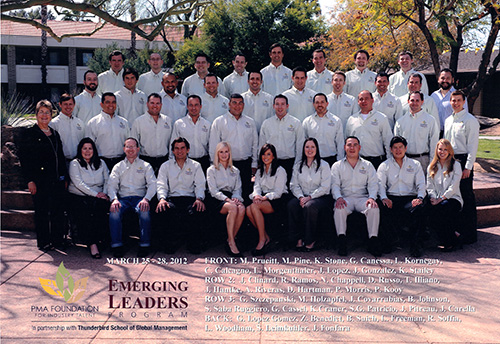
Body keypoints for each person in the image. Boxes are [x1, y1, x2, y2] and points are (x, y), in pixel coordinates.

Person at [19, 100, 67, 251]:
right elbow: (25, 159)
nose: (45, 115)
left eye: (47, 112)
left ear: (51, 115)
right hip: (39, 180)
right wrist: (30, 181)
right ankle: (44, 241)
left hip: (56, 180)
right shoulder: (29, 133)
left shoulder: (55, 133)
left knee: (57, 211)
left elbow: (60, 156)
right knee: (42, 211)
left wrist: (64, 176)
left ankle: (57, 240)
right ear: (36, 114)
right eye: (42, 112)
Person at [331, 136, 381, 257]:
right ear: (344, 148)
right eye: (349, 145)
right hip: (345, 198)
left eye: (354, 145)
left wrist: (372, 198)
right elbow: (335, 186)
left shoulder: (368, 165)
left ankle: (373, 241)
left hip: (362, 198)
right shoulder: (337, 166)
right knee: (339, 208)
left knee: (373, 208)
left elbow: (373, 184)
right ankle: (342, 242)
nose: (352, 148)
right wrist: (338, 197)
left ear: (359, 147)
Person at [377, 136, 426, 257]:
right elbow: (380, 185)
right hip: (391, 198)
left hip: (410, 198)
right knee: (381, 206)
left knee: (419, 208)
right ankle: (388, 242)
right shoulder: (384, 165)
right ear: (390, 149)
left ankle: (415, 245)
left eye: (400, 147)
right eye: (395, 148)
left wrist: (419, 198)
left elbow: (421, 184)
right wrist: (384, 198)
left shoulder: (415, 164)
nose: (398, 150)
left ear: (405, 148)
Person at [156, 137, 207, 254]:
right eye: (176, 148)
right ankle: (170, 244)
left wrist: (199, 198)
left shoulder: (196, 165)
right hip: (172, 198)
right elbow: (161, 184)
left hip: (190, 198)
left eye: (182, 148)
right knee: (163, 209)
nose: (180, 151)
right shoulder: (165, 166)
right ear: (173, 151)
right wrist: (162, 199)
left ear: (188, 149)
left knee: (197, 209)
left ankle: (193, 244)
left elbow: (200, 185)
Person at [107, 138, 156, 258]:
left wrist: (146, 199)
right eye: (128, 147)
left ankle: (144, 245)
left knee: (144, 211)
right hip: (123, 199)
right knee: (114, 212)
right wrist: (114, 199)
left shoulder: (145, 165)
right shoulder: (118, 166)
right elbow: (111, 185)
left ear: (138, 149)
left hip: (140, 198)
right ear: (124, 149)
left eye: (133, 146)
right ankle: (117, 245)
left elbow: (152, 184)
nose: (130, 149)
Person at [444, 90, 479, 244]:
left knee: (466, 196)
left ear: (464, 102)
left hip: (464, 160)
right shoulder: (448, 120)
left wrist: (468, 167)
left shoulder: (470, 120)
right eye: (453, 100)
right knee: (453, 195)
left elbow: (472, 146)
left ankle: (470, 234)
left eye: (458, 100)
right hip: (450, 160)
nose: (456, 103)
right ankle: (456, 230)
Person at [210, 94, 258, 201]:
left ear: (243, 105)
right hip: (226, 165)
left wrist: (254, 164)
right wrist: (215, 165)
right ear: (229, 104)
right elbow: (214, 146)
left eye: (240, 103)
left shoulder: (250, 122)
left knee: (245, 194)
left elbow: (255, 144)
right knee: (228, 195)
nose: (237, 106)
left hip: (246, 164)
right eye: (234, 103)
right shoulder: (219, 122)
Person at [68, 138, 110, 259]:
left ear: (94, 150)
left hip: (99, 195)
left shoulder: (101, 163)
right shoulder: (75, 163)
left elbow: (108, 180)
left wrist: (104, 194)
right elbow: (78, 183)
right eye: (84, 148)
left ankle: (101, 239)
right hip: (79, 196)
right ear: (80, 150)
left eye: (90, 148)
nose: (87, 151)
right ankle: (92, 244)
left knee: (101, 209)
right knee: (85, 212)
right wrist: (96, 194)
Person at [288, 138, 332, 252]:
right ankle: (298, 238)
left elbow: (325, 187)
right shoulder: (298, 165)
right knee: (292, 205)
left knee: (310, 206)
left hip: (320, 197)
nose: (310, 149)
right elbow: (294, 185)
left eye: (312, 147)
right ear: (303, 149)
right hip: (302, 196)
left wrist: (310, 197)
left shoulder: (324, 165)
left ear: (317, 149)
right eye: (307, 147)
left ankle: (310, 240)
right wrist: (301, 197)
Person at [247, 144, 288, 256]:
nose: (266, 157)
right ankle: (266, 237)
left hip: (278, 199)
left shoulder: (280, 170)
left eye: (269, 154)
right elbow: (257, 187)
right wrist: (256, 196)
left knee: (254, 206)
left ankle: (261, 240)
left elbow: (278, 192)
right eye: (264, 154)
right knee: (248, 209)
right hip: (264, 199)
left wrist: (264, 197)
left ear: (273, 156)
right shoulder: (260, 171)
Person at [206, 142, 245, 257]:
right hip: (216, 198)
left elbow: (238, 189)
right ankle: (232, 243)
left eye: (226, 151)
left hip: (231, 197)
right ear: (217, 154)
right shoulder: (211, 170)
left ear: (230, 153)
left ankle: (229, 239)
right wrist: (227, 199)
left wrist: (236, 198)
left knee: (241, 208)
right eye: (221, 152)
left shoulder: (235, 170)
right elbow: (213, 191)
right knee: (233, 208)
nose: (224, 154)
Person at [426, 139, 463, 251]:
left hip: (453, 198)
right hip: (436, 198)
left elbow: (454, 186)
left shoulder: (456, 165)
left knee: (443, 208)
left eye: (445, 149)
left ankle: (449, 242)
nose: (442, 152)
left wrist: (441, 199)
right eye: (440, 149)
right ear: (436, 150)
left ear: (450, 151)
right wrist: (433, 197)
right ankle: (454, 236)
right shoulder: (432, 166)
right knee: (427, 210)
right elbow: (429, 186)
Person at [259, 94, 304, 182]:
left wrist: (297, 165)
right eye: (277, 104)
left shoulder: (295, 123)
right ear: (273, 106)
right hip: (271, 163)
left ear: (287, 106)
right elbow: (262, 145)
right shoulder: (266, 123)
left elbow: (299, 145)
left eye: (282, 104)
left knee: (289, 192)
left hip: (290, 163)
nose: (280, 107)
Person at [345, 90, 392, 169]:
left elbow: (387, 140)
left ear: (372, 100)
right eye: (361, 99)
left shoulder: (381, 118)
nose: (364, 101)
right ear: (358, 102)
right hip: (357, 162)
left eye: (366, 98)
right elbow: (346, 141)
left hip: (377, 161)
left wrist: (390, 161)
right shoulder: (352, 119)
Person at [394, 91, 439, 173]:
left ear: (422, 102)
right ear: (408, 102)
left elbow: (434, 143)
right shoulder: (400, 122)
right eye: (412, 100)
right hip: (405, 160)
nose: (414, 103)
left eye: (417, 100)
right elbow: (396, 145)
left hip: (423, 160)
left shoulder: (430, 120)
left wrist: (432, 163)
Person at [86, 92, 130, 171]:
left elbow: (129, 143)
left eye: (113, 102)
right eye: (107, 102)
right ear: (101, 104)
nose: (111, 105)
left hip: (121, 162)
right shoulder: (93, 123)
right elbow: (89, 146)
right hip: (101, 162)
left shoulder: (124, 122)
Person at [131, 93, 173, 173]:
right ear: (147, 104)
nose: (155, 106)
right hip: (145, 161)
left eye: (157, 103)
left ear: (161, 105)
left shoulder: (168, 121)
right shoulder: (138, 122)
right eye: (152, 103)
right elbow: (134, 144)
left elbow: (171, 142)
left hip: (164, 161)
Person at [170, 95, 211, 172]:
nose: (193, 108)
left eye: (196, 105)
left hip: (203, 162)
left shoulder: (207, 124)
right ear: (187, 106)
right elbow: (173, 145)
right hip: (184, 162)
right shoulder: (179, 124)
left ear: (200, 106)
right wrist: (172, 163)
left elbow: (211, 146)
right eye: (191, 105)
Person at [302, 93, 344, 166]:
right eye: (317, 102)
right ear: (313, 104)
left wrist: (339, 162)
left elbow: (340, 143)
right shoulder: (307, 121)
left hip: (331, 160)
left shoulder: (336, 121)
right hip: (312, 161)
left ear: (327, 103)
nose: (320, 105)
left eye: (322, 102)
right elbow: (303, 142)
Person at [430, 68, 468, 134]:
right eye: (442, 78)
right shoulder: (433, 96)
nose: (445, 80)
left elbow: (464, 115)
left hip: (452, 131)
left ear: (452, 80)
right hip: (435, 132)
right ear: (438, 79)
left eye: (448, 78)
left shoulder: (459, 96)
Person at [49, 93, 85, 162]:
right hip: (62, 161)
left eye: (70, 104)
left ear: (74, 105)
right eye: (65, 104)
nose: (68, 107)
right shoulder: (54, 124)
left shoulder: (80, 123)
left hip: (78, 162)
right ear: (60, 105)